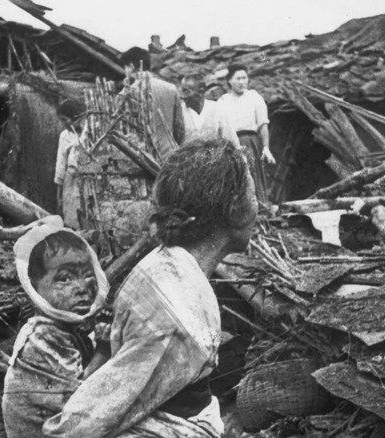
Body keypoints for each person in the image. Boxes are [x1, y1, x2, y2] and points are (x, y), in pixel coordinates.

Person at [43, 138, 259, 438]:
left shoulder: (164, 263)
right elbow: (81, 424)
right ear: (236, 210)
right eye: (253, 193)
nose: (258, 205)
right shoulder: (179, 315)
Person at [2, 217, 110, 438]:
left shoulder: (66, 328)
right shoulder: (43, 335)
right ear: (34, 287)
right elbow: (83, 400)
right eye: (65, 279)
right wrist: (103, 349)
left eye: (88, 275)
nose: (82, 288)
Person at [215, 64, 275, 200]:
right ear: (229, 80)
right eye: (238, 78)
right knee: (235, 178)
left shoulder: (254, 97)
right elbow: (219, 128)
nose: (242, 82)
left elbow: (263, 125)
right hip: (230, 143)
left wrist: (266, 147)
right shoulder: (223, 101)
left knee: (254, 175)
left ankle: (261, 207)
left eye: (244, 78)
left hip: (251, 141)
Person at [119, 47, 185, 158]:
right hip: (170, 154)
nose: (125, 72)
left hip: (142, 157)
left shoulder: (127, 93)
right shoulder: (171, 88)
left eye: (125, 67)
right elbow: (180, 128)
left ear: (131, 66)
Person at [54, 99, 86, 229]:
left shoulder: (89, 132)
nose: (63, 124)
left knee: (87, 214)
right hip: (71, 181)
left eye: (65, 120)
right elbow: (60, 164)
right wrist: (59, 194)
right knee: (71, 216)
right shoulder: (64, 136)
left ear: (76, 118)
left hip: (87, 179)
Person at [179, 74, 219, 141]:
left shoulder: (217, 108)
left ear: (201, 92)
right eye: (181, 90)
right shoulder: (179, 111)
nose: (181, 96)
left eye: (186, 91)